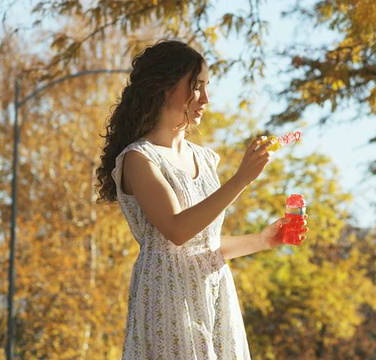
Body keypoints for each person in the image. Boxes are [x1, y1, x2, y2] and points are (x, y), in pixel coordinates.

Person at [96, 40, 308, 359]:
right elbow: (177, 231)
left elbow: (205, 247)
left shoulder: (205, 159)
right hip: (169, 299)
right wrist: (241, 179)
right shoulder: (139, 159)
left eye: (206, 87)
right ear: (165, 88)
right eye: (196, 87)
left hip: (213, 295)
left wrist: (265, 239)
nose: (205, 99)